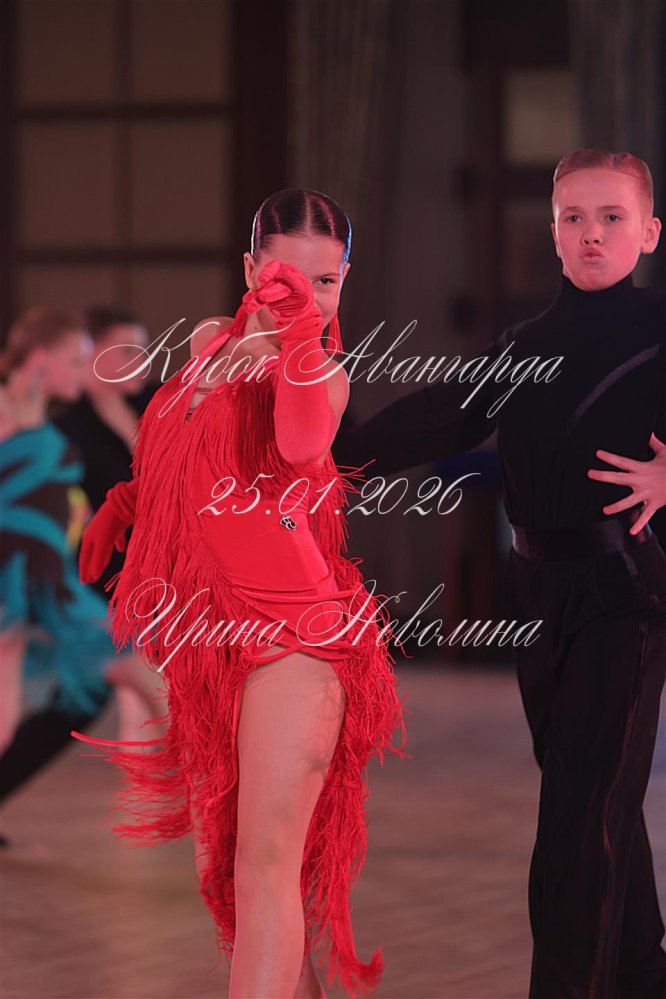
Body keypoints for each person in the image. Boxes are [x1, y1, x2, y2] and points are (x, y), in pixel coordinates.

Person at [332, 149, 666, 999]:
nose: (591, 234)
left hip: (626, 593)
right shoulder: (524, 345)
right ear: (553, 234)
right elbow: (440, 416)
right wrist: (327, 458)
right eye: (573, 218)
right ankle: (640, 974)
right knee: (595, 801)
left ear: (649, 233)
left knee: (577, 816)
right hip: (537, 595)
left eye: (612, 218)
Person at [71, 190, 408, 999]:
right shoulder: (208, 341)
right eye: (288, 277)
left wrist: (296, 335)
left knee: (264, 869)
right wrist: (128, 502)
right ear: (252, 267)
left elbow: (298, 442)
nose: (309, 297)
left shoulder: (321, 372)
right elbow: (188, 455)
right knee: (229, 877)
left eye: (326, 283)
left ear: (344, 279)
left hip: (298, 644)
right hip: (208, 646)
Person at [0, 307, 158, 812]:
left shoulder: (44, 416)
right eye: (75, 360)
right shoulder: (24, 416)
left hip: (53, 582)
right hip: (23, 583)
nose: (81, 369)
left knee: (141, 685)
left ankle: (221, 822)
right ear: (41, 359)